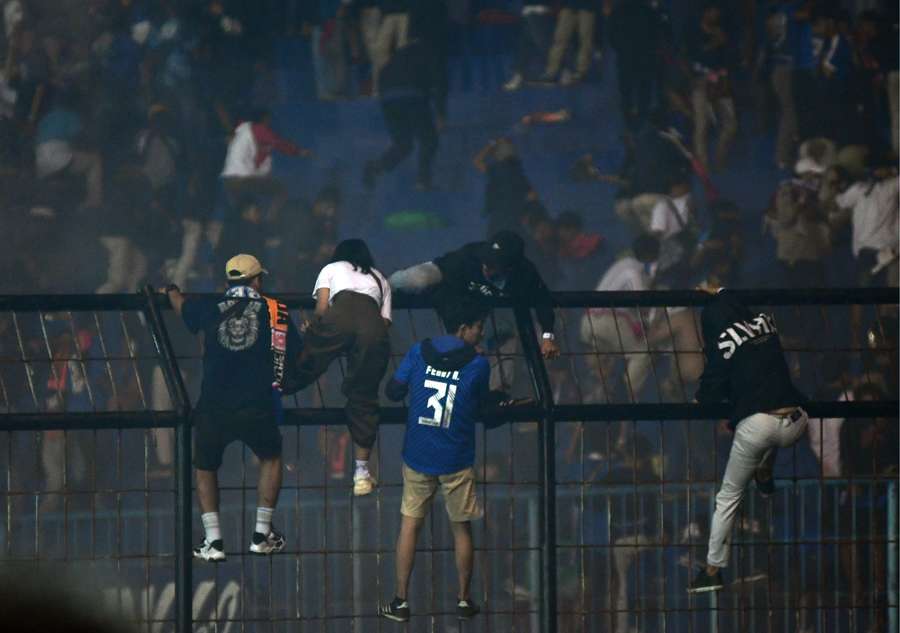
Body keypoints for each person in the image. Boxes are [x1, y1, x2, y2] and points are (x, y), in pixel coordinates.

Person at [377, 297, 509, 623]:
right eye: (478, 327)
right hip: (456, 458)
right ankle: (464, 599)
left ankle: (400, 600)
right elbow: (479, 404)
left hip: (418, 453)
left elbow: (393, 392)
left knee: (410, 524)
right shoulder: (478, 365)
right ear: (464, 328)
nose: (480, 334)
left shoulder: (420, 351)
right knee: (461, 528)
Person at [165, 254, 301, 562]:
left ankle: (213, 541)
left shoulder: (209, 307)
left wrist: (171, 292)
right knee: (271, 457)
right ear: (257, 281)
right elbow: (297, 354)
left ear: (227, 283)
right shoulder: (275, 310)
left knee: (205, 467)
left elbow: (182, 306)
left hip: (213, 404)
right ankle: (262, 533)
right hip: (257, 403)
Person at [688, 287, 808, 593]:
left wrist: (699, 398)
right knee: (769, 439)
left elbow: (712, 384)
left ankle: (713, 570)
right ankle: (765, 473)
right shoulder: (766, 323)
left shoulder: (724, 337)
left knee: (728, 497)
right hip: (797, 421)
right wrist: (721, 291)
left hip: (759, 425)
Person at [292, 239, 392, 496]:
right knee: (365, 396)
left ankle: (277, 388)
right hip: (373, 327)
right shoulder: (381, 278)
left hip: (340, 317)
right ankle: (361, 472)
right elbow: (384, 324)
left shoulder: (331, 268)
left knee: (305, 363)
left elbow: (323, 309)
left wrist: (315, 333)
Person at [388, 230, 560, 360]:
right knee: (420, 278)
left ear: (509, 266)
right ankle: (380, 286)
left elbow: (542, 300)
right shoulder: (469, 258)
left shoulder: (525, 273)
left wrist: (547, 337)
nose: (486, 266)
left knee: (506, 336)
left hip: (484, 303)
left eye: (493, 264)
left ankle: (498, 397)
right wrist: (464, 338)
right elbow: (446, 295)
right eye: (486, 260)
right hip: (447, 278)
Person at [363, 21, 445, 192]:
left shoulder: (399, 54)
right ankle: (423, 181)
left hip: (389, 100)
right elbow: (439, 83)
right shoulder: (429, 51)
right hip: (411, 96)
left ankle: (376, 167)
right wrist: (440, 113)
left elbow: (383, 75)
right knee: (429, 139)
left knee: (403, 144)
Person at [580, 235, 659, 402]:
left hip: (587, 322)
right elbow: (641, 301)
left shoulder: (621, 264)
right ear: (651, 254)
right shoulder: (635, 271)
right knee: (644, 352)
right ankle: (624, 398)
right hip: (609, 323)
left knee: (604, 369)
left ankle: (597, 399)